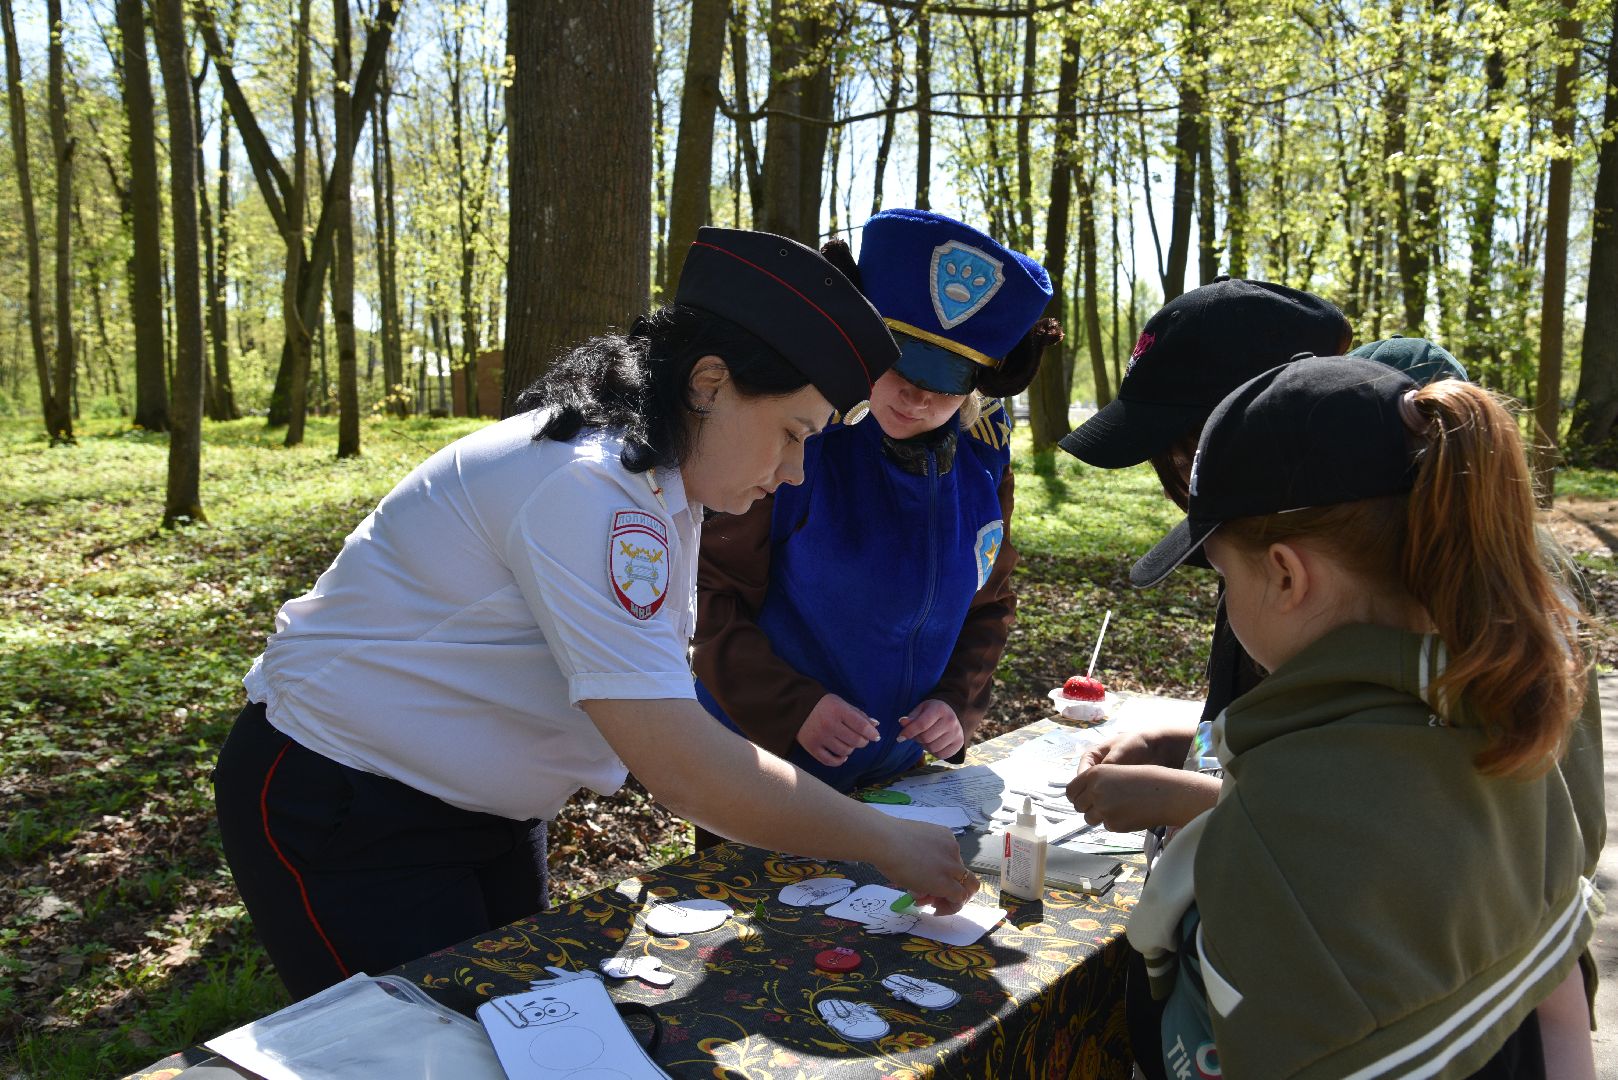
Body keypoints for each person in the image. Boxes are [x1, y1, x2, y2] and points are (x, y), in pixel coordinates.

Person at [212, 227, 979, 1000]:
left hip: (483, 812)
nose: (794, 471)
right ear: (709, 383)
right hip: (347, 802)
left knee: (528, 1023)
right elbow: (681, 765)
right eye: (792, 434)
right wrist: (881, 839)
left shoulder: (658, 478)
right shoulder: (588, 482)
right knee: (424, 1043)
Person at [1124, 356, 1597, 1078]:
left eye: (1224, 577)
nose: (1225, 601)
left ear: (1287, 574)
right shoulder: (1513, 716)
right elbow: (1558, 991)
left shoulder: (1282, 823)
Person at [692, 208, 1059, 799]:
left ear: (979, 382)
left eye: (945, 382)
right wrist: (792, 705)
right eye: (899, 366)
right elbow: (708, 595)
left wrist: (955, 700)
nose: (915, 397)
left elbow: (989, 604)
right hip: (765, 773)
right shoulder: (797, 444)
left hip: (902, 782)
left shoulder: (982, 466)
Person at [1058, 278, 1353, 832]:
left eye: (1180, 457)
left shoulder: (1355, 602)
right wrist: (1176, 745)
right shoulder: (1250, 550)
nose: (1178, 488)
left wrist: (1191, 799)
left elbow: (1356, 815)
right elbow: (1245, 724)